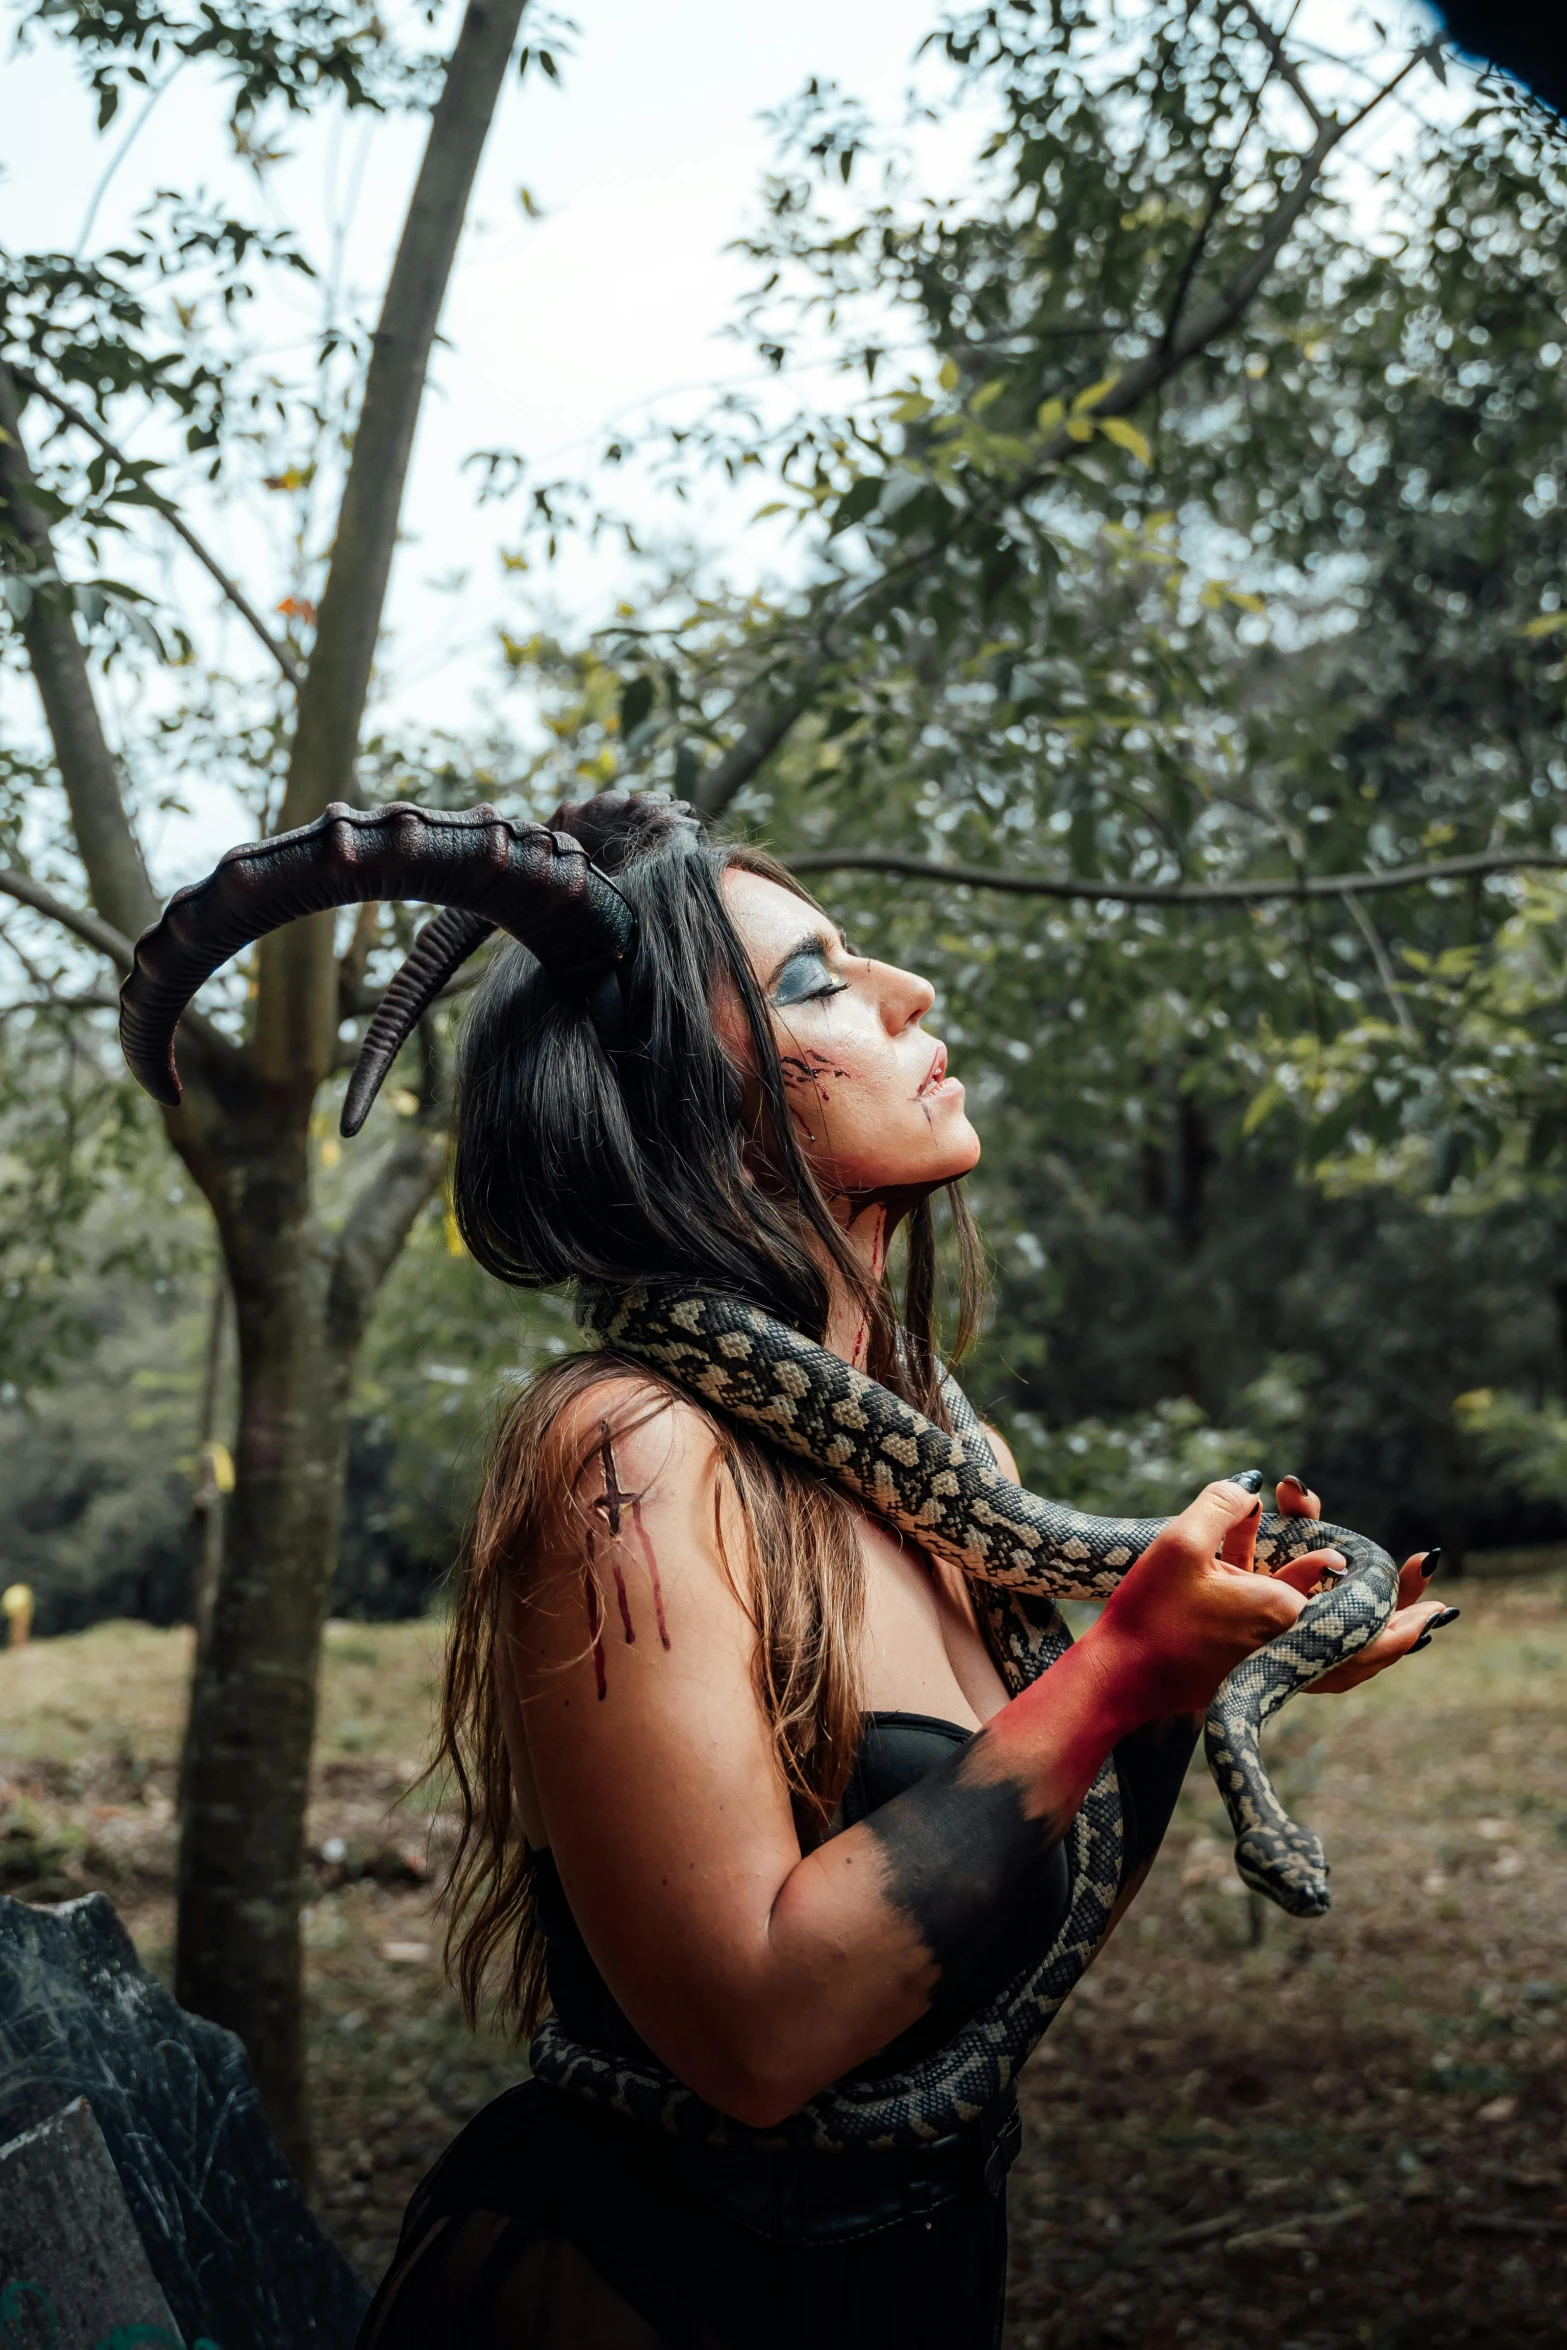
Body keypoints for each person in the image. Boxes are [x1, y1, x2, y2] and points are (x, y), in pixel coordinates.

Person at [118, 791, 1451, 2349]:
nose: (907, 993)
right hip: (629, 2296)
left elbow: (991, 1936)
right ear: (698, 1103)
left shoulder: (972, 1470)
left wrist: (1193, 1663)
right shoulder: (627, 1452)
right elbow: (757, 2041)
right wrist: (1115, 1673)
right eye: (813, 982)